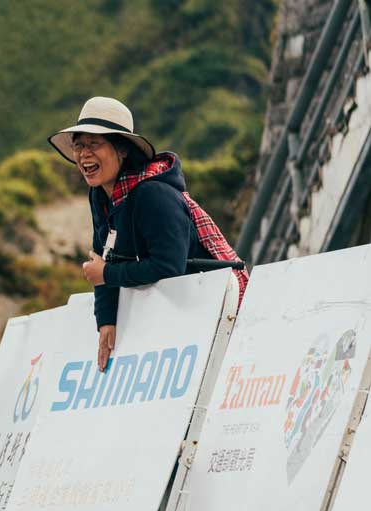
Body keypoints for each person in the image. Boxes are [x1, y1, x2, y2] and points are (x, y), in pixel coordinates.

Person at [49, 96, 246, 370]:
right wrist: (106, 321)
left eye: (94, 144)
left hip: (213, 314)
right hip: (174, 319)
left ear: (123, 150)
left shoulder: (154, 193)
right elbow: (102, 257)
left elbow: (169, 267)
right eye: (79, 145)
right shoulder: (101, 197)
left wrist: (108, 274)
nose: (84, 154)